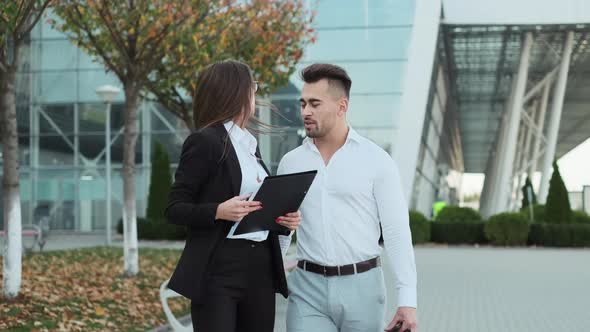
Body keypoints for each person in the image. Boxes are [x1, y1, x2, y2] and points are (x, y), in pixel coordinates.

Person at [278, 63, 418, 332]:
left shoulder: (377, 161)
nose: (305, 111)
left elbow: (396, 231)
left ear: (342, 107)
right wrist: (269, 274)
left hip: (363, 288)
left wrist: (408, 300)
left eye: (315, 104)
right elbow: (282, 229)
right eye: (303, 103)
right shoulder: (291, 163)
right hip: (307, 288)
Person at [165, 60, 301, 332]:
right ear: (236, 92)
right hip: (219, 268)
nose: (255, 94)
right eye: (253, 88)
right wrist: (218, 211)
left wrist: (282, 219)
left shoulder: (250, 147)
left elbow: (256, 208)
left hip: (260, 266)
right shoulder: (205, 141)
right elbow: (174, 208)